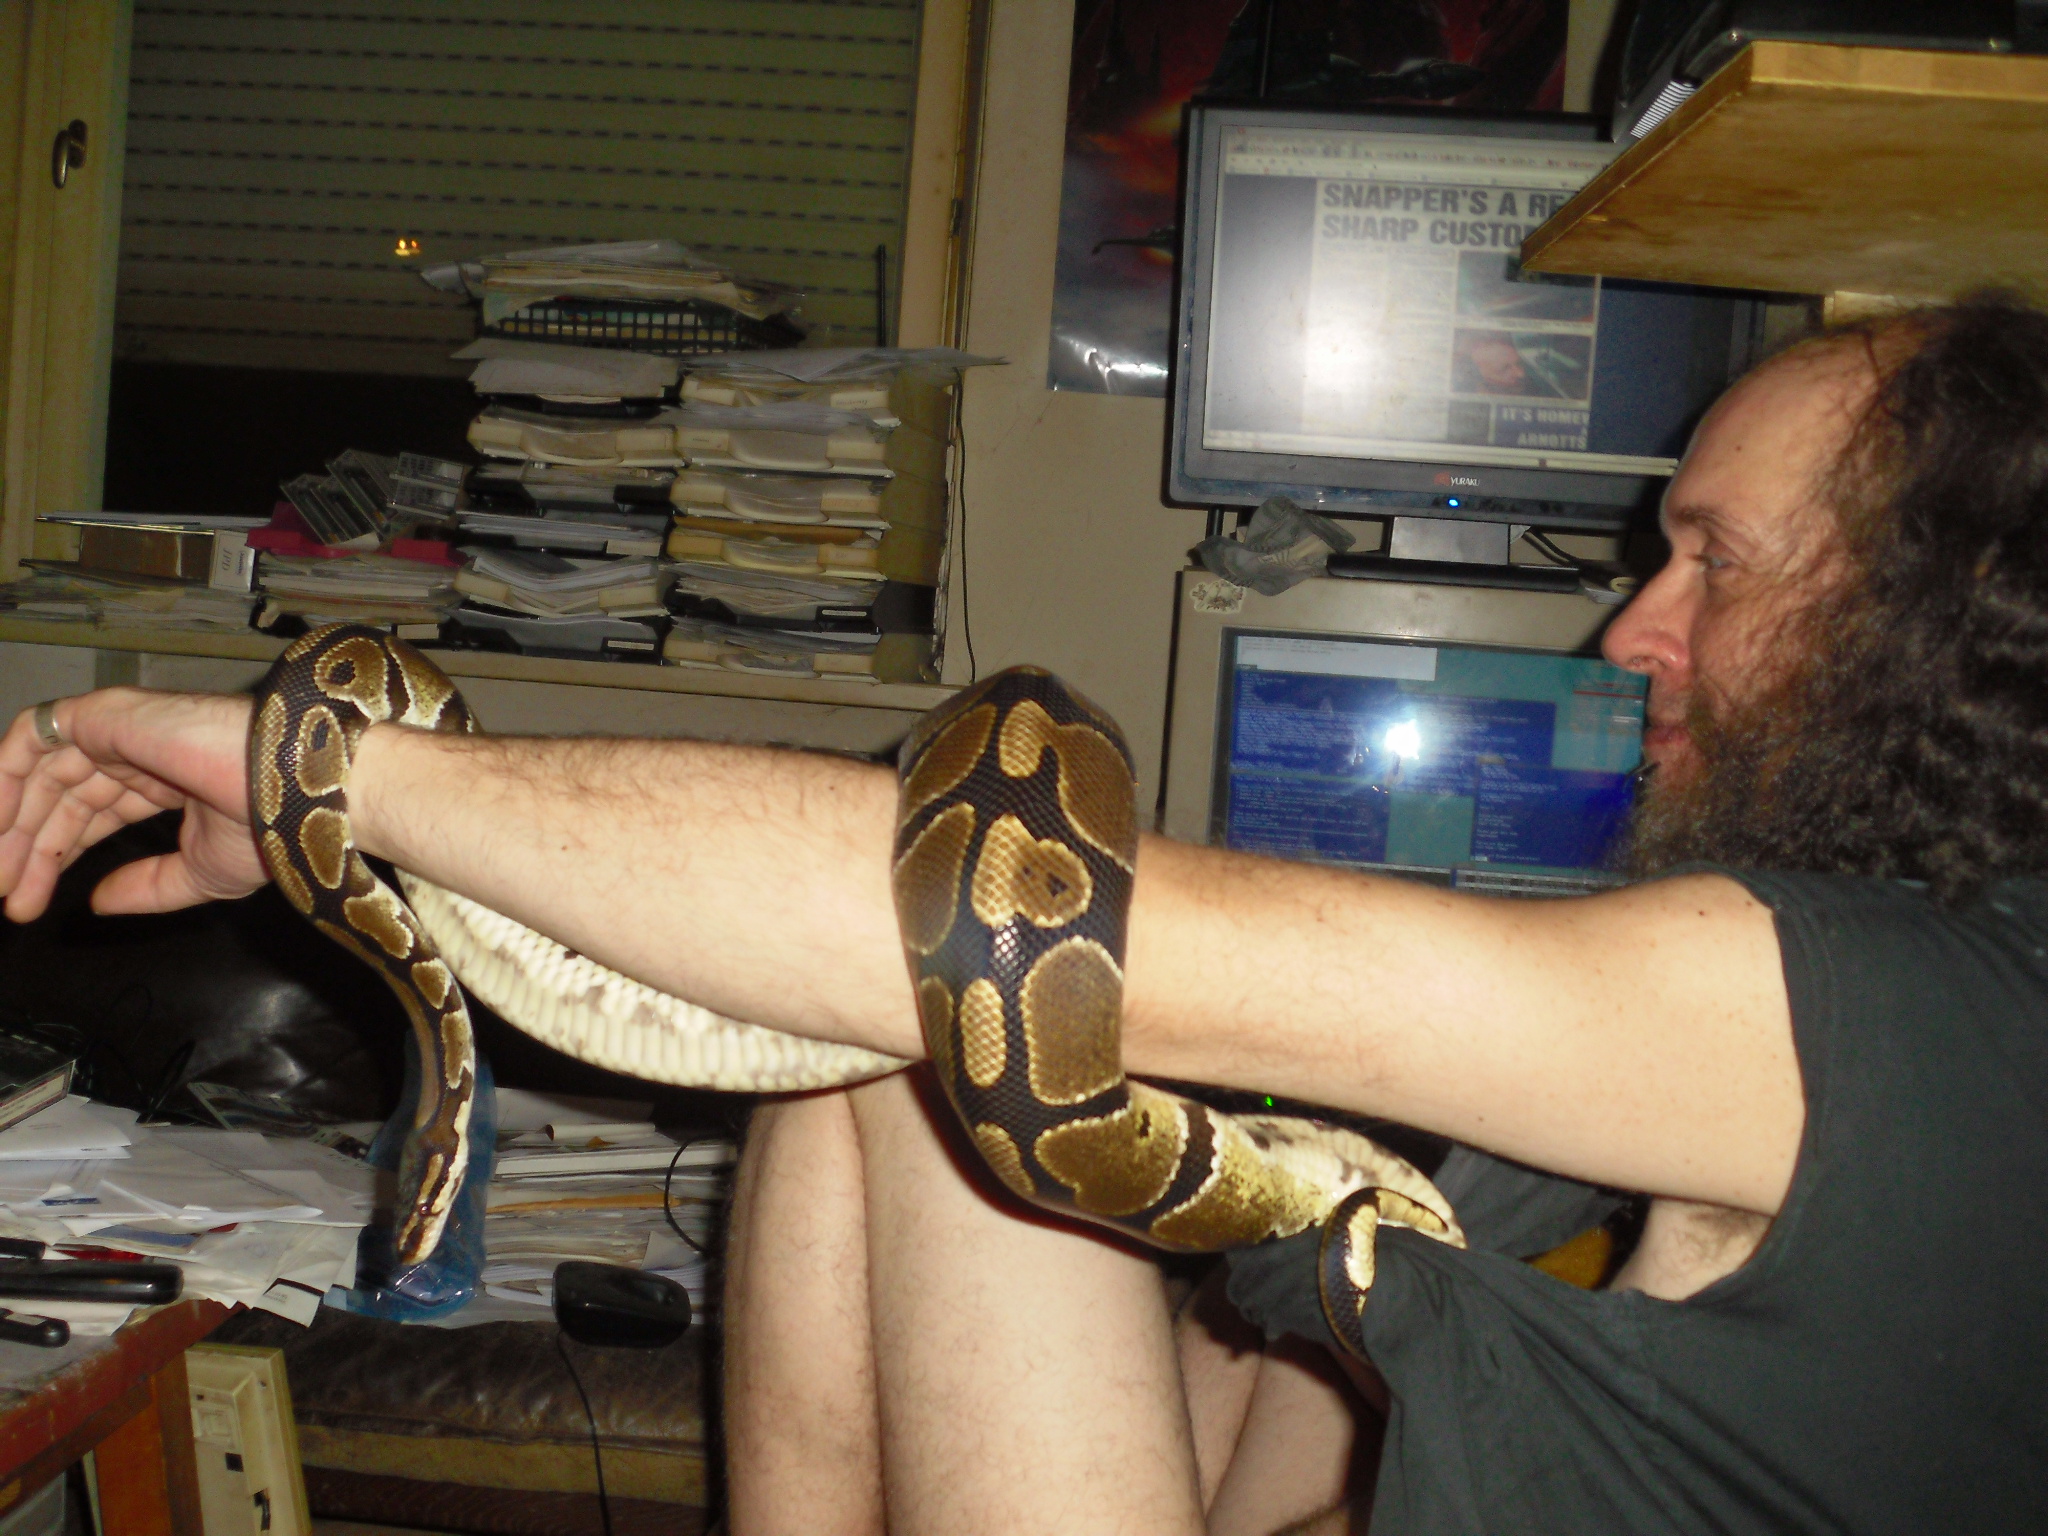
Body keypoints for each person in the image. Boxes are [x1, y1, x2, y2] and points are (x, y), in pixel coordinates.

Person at [2, 294, 2045, 1534]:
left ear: (1941, 610)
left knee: (943, 961)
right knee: (912, 1031)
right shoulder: (1791, 1005)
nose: (1632, 630)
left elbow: (967, 922)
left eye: (1715, 560)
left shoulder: (1930, 1015)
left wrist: (338, 771)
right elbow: (1297, 1431)